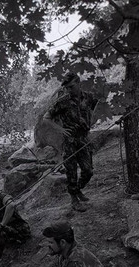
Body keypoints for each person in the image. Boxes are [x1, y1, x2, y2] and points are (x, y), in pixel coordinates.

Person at [48, 72, 98, 212]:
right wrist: (60, 130)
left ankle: (78, 190)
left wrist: (90, 122)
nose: (69, 90)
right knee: (71, 172)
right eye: (67, 87)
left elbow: (95, 111)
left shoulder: (89, 97)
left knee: (88, 171)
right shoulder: (63, 101)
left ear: (78, 83)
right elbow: (47, 118)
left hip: (84, 140)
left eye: (71, 86)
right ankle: (74, 199)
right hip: (69, 142)